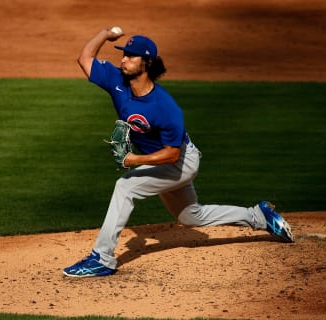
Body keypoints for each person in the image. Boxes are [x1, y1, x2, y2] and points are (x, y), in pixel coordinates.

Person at [62, 27, 294, 278]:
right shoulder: (117, 80)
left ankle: (102, 258)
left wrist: (134, 160)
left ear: (147, 63)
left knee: (125, 187)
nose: (124, 59)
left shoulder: (165, 107)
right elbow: (84, 59)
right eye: (124, 54)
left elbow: (172, 154)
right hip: (162, 163)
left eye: (131, 56)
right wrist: (105, 35)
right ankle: (260, 216)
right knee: (192, 217)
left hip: (180, 162)